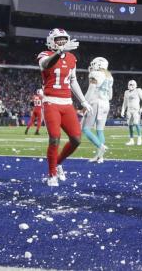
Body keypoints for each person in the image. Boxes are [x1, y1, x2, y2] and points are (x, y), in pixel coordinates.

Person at [38, 28, 92, 187]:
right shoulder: (45, 55)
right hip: (50, 102)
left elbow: (73, 80)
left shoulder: (71, 58)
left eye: (63, 39)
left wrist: (83, 101)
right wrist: (60, 51)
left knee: (76, 139)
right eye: (58, 39)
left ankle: (58, 163)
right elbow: (45, 65)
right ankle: (51, 174)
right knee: (54, 138)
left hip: (67, 103)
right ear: (51, 41)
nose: (61, 42)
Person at [82, 57, 113, 163]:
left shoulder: (95, 74)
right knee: (100, 130)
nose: (92, 65)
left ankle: (101, 146)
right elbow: (110, 96)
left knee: (86, 129)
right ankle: (100, 157)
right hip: (106, 103)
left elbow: (91, 90)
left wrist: (84, 102)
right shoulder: (109, 76)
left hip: (96, 102)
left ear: (99, 65)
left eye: (94, 64)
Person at [121, 80, 142, 146]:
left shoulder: (138, 90)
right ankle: (131, 140)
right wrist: (122, 110)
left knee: (136, 123)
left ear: (135, 85)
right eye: (130, 84)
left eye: (132, 84)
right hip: (129, 110)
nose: (131, 86)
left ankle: (139, 138)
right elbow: (125, 102)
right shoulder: (126, 92)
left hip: (136, 110)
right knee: (130, 125)